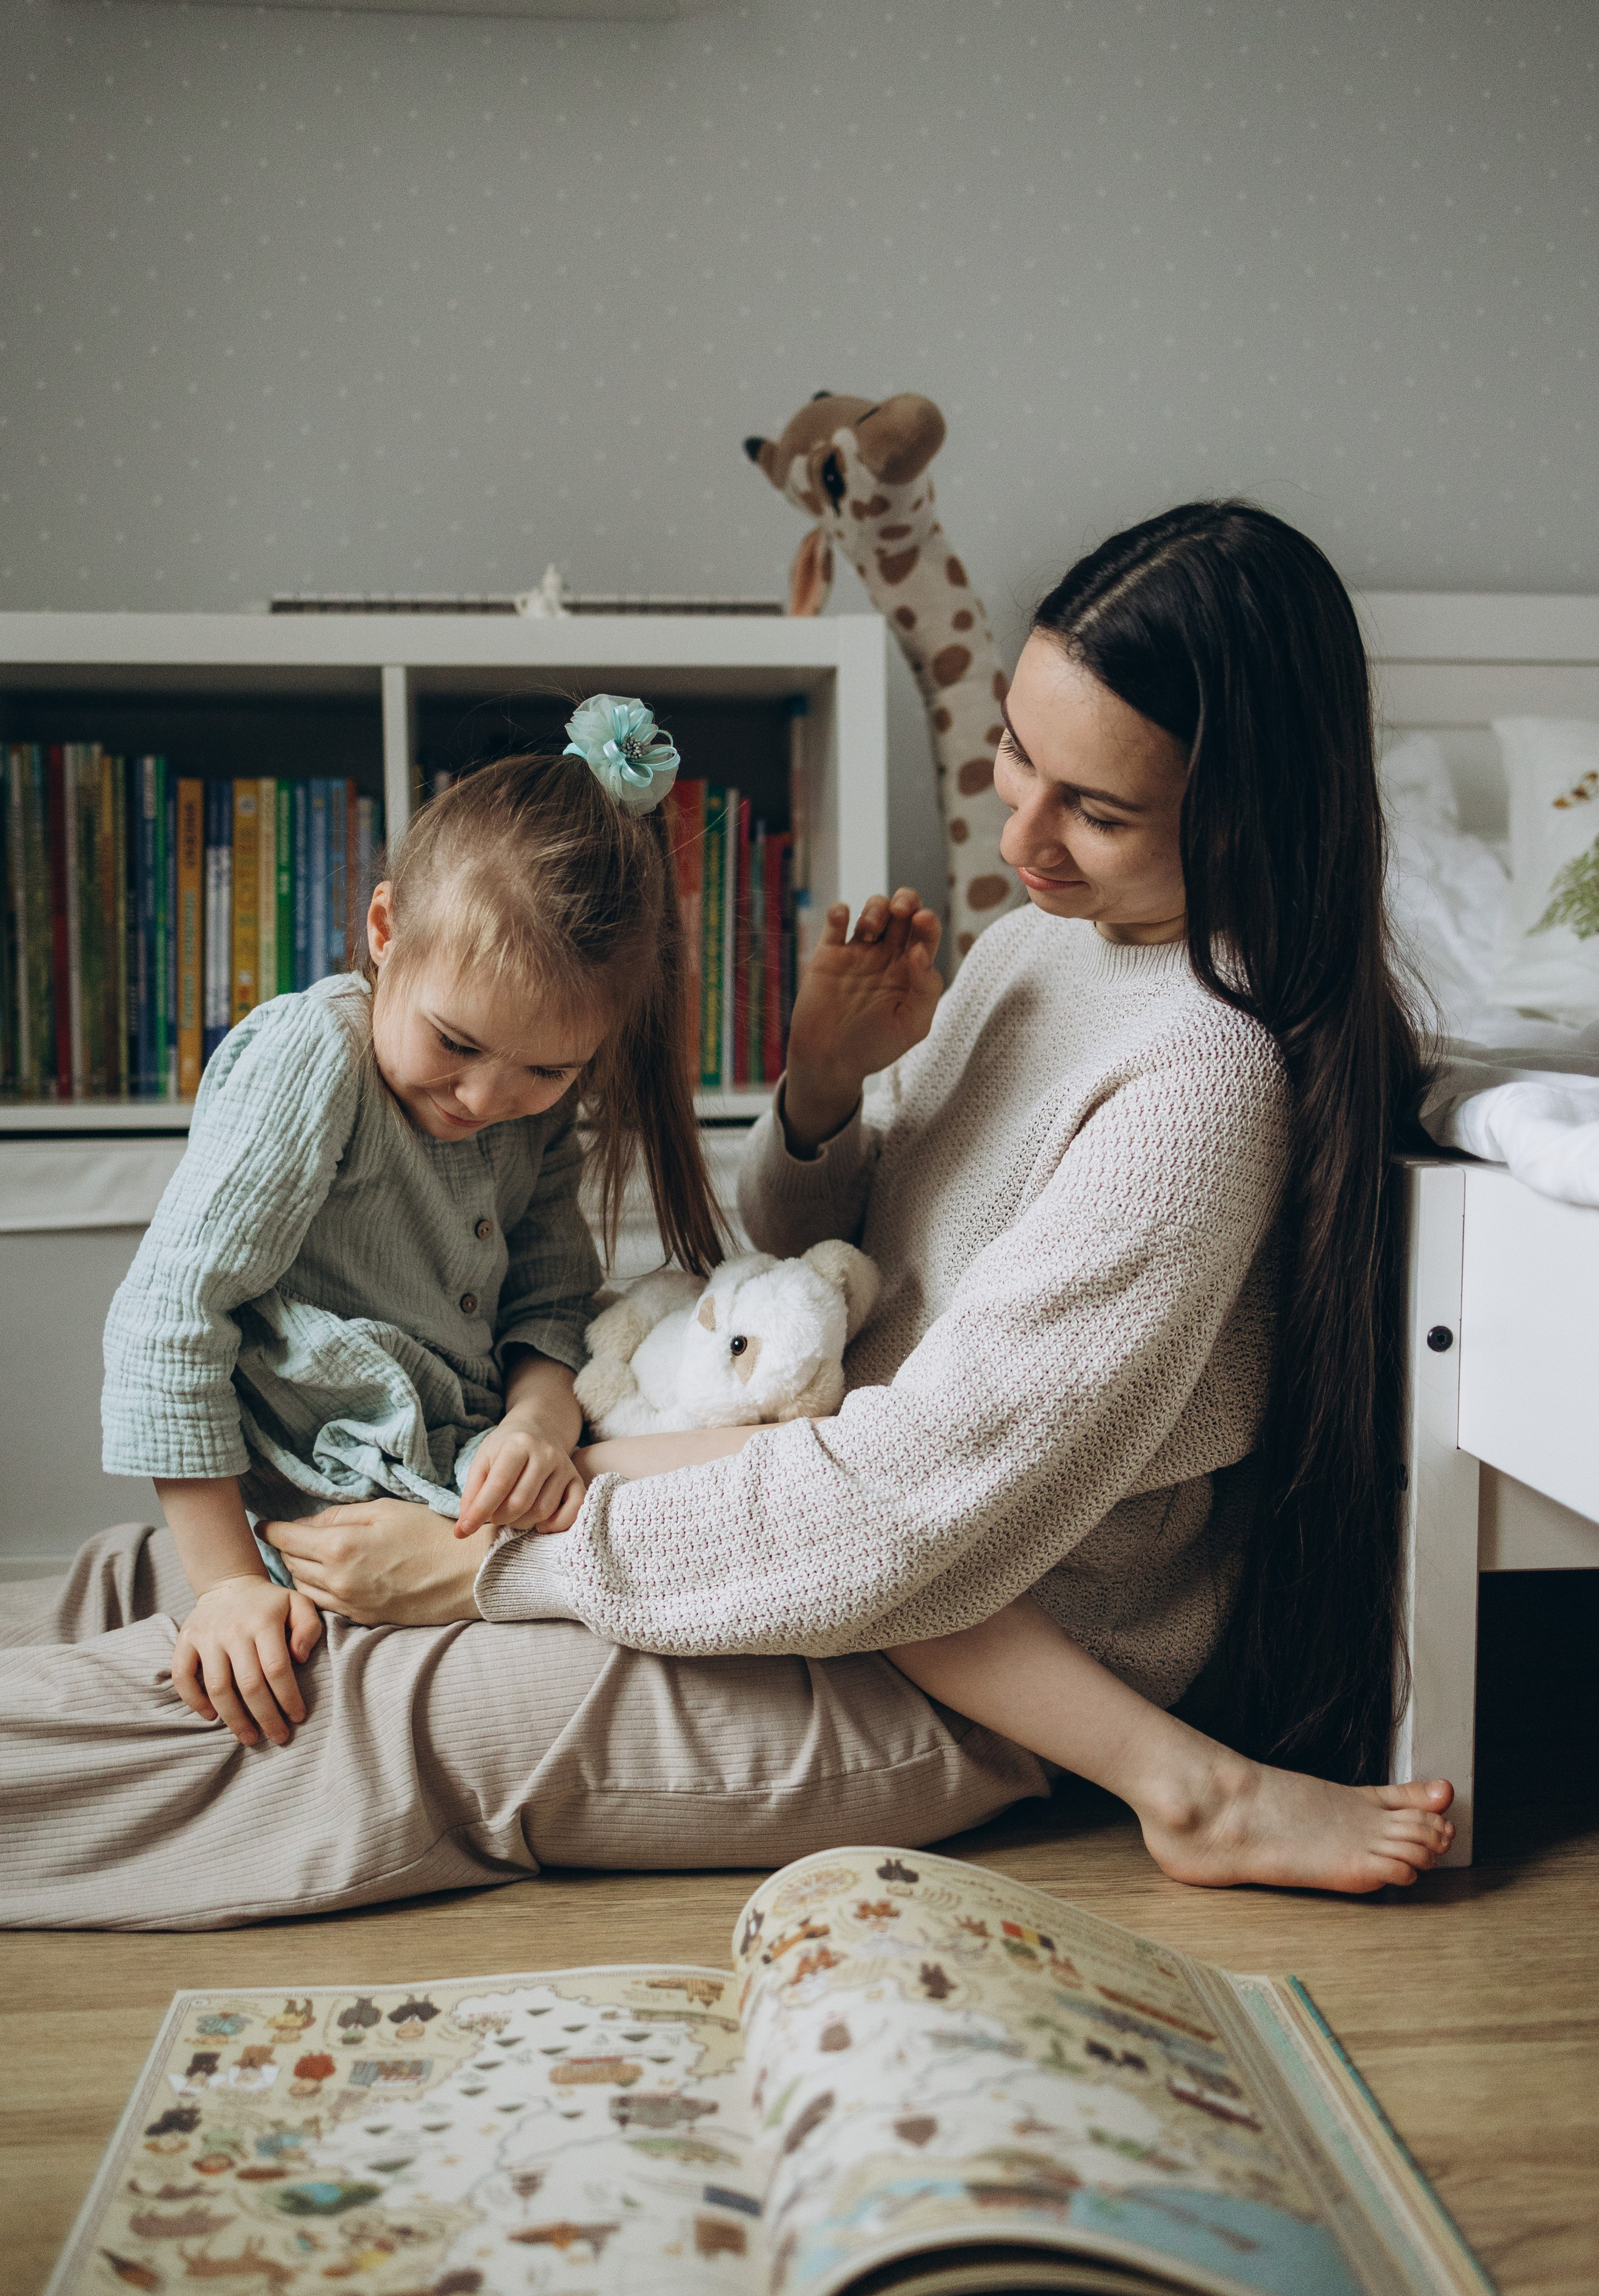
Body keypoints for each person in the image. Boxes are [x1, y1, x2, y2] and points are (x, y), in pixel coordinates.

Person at [0, 503, 1454, 1931]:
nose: (1022, 832)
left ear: (1250, 808)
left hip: (939, 1629)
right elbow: (804, 1280)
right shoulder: (1036, 948)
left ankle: (1183, 1790)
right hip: (797, 1512)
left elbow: (919, 1508)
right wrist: (824, 1089)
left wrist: (496, 1566)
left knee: (332, 1701)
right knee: (188, 1570)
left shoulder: (1198, 1083)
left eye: (1097, 809)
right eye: (1017, 753)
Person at [97, 696, 721, 1750]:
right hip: (324, 1504)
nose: (486, 1099)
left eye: (547, 1069)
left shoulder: (536, 1110)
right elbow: (167, 1323)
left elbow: (553, 1296)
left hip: (452, 1469)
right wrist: (228, 1588)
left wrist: (537, 1422)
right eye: (457, 1043)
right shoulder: (319, 1060)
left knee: (747, 1461)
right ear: (386, 933)